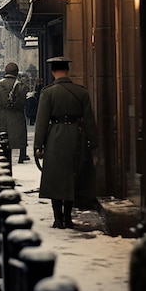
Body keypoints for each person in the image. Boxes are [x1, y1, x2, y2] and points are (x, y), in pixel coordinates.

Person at [33, 56, 99, 229]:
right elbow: (89, 120)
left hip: (55, 136)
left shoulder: (47, 92)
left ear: (53, 72)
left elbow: (41, 121)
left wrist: (38, 145)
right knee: (72, 175)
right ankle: (68, 217)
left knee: (56, 176)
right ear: (67, 71)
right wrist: (93, 143)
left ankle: (58, 218)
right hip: (77, 136)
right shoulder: (81, 92)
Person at [0, 62, 30, 163]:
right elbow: (24, 103)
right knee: (20, 135)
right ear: (16, 73)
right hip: (17, 116)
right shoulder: (21, 87)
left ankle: (4, 155)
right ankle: (22, 155)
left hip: (2, 117)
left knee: (3, 137)